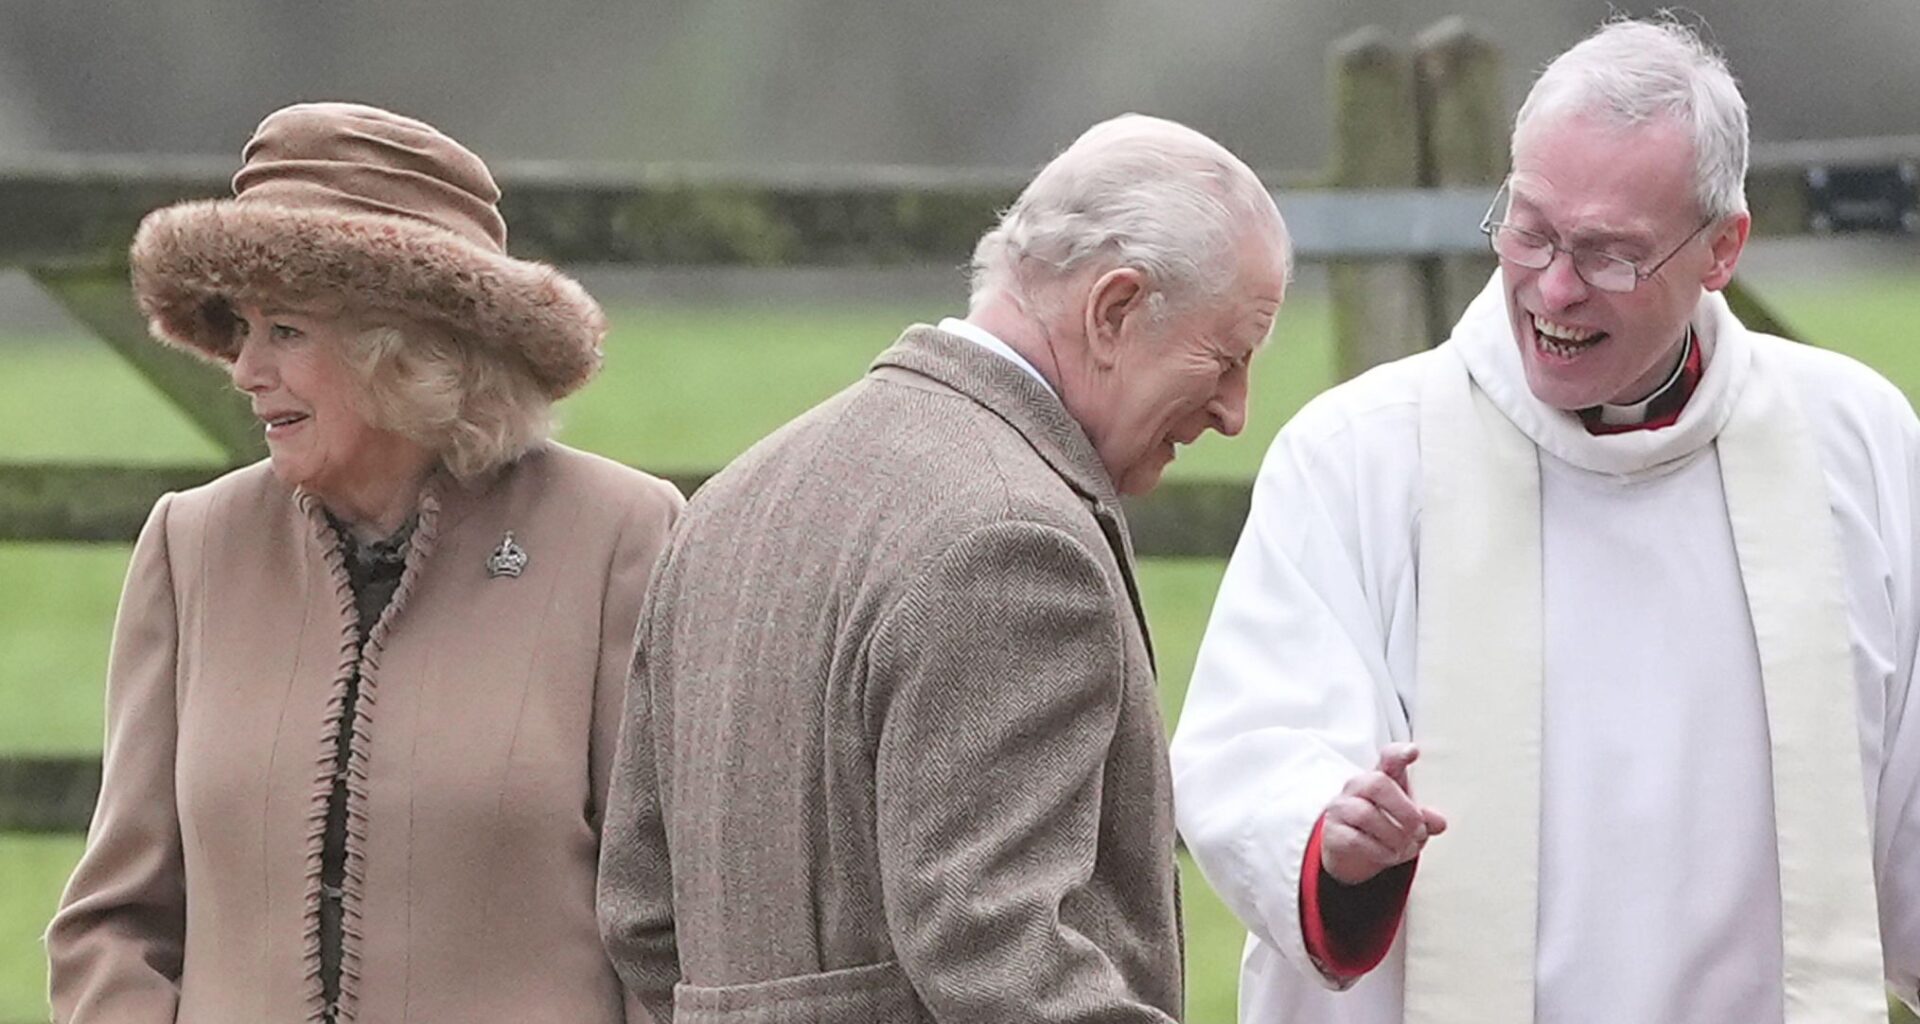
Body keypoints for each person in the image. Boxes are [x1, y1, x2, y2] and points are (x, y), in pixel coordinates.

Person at [1170, 16, 1920, 1024]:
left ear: (1722, 248)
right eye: (1529, 230)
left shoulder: (1855, 443)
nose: (1554, 289)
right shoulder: (1360, 456)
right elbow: (1252, 746)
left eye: (1612, 256)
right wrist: (1329, 833)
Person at [595, 113, 1291, 1022]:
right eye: (1226, 357)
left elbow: (643, 915)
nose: (1237, 412)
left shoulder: (733, 498)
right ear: (1114, 310)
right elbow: (997, 951)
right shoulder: (1013, 542)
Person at [44, 102, 683, 1024]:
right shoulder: (194, 545)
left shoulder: (618, 535)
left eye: (287, 333)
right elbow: (114, 922)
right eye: (243, 329)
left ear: (406, 349)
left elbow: (675, 921)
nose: (244, 369)